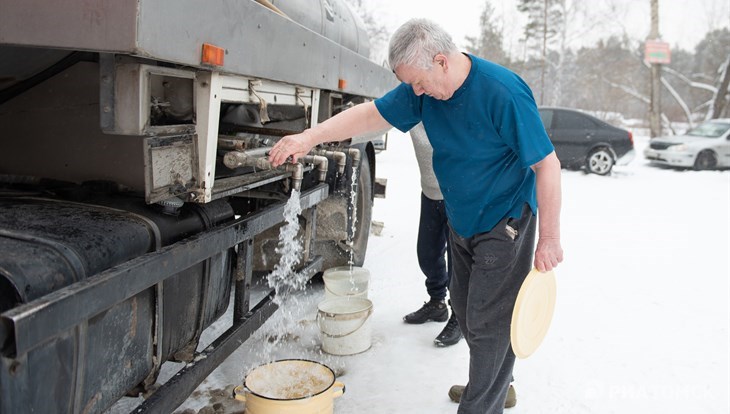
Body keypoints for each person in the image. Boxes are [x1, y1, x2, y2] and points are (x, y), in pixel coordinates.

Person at [269, 18, 563, 414]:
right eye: (411, 86)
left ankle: (482, 404)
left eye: (420, 83)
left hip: (505, 218)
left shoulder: (503, 92)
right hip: (461, 217)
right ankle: (494, 383)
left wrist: (548, 237)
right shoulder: (422, 90)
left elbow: (548, 165)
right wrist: (309, 137)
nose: (417, 93)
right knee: (466, 309)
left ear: (441, 61)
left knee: (488, 322)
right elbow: (371, 115)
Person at [404, 122, 462, 348]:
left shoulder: (455, 99)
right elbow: (377, 117)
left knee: (458, 261)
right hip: (430, 194)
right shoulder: (414, 100)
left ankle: (459, 315)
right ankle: (437, 304)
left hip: (458, 195)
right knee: (427, 253)